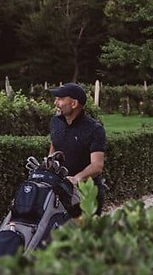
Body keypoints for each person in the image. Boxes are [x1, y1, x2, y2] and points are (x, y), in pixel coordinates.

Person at [48, 82, 106, 216]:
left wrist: (77, 178)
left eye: (60, 99)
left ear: (74, 104)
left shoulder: (94, 129)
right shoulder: (55, 122)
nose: (55, 103)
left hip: (86, 195)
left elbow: (97, 166)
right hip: (60, 192)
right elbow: (54, 147)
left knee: (84, 230)